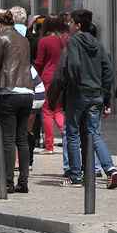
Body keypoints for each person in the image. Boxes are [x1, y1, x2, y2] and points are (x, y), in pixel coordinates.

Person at [48, 9, 117, 187]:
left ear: (77, 26)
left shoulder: (73, 42)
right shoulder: (98, 44)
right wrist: (104, 93)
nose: (69, 25)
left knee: (72, 134)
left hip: (78, 94)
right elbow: (108, 70)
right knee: (93, 134)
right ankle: (109, 168)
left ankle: (75, 176)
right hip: (96, 95)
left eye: (71, 22)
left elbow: (74, 64)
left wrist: (76, 85)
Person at [0, 10, 33, 192]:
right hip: (27, 90)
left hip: (9, 91)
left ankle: (8, 183)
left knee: (8, 139)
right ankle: (24, 182)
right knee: (22, 138)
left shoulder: (0, 39)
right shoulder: (24, 39)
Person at [33, 14, 70, 153]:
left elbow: (39, 62)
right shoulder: (67, 39)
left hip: (48, 77)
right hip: (63, 76)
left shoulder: (44, 41)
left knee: (47, 112)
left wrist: (32, 76)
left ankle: (49, 146)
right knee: (59, 110)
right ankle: (67, 137)